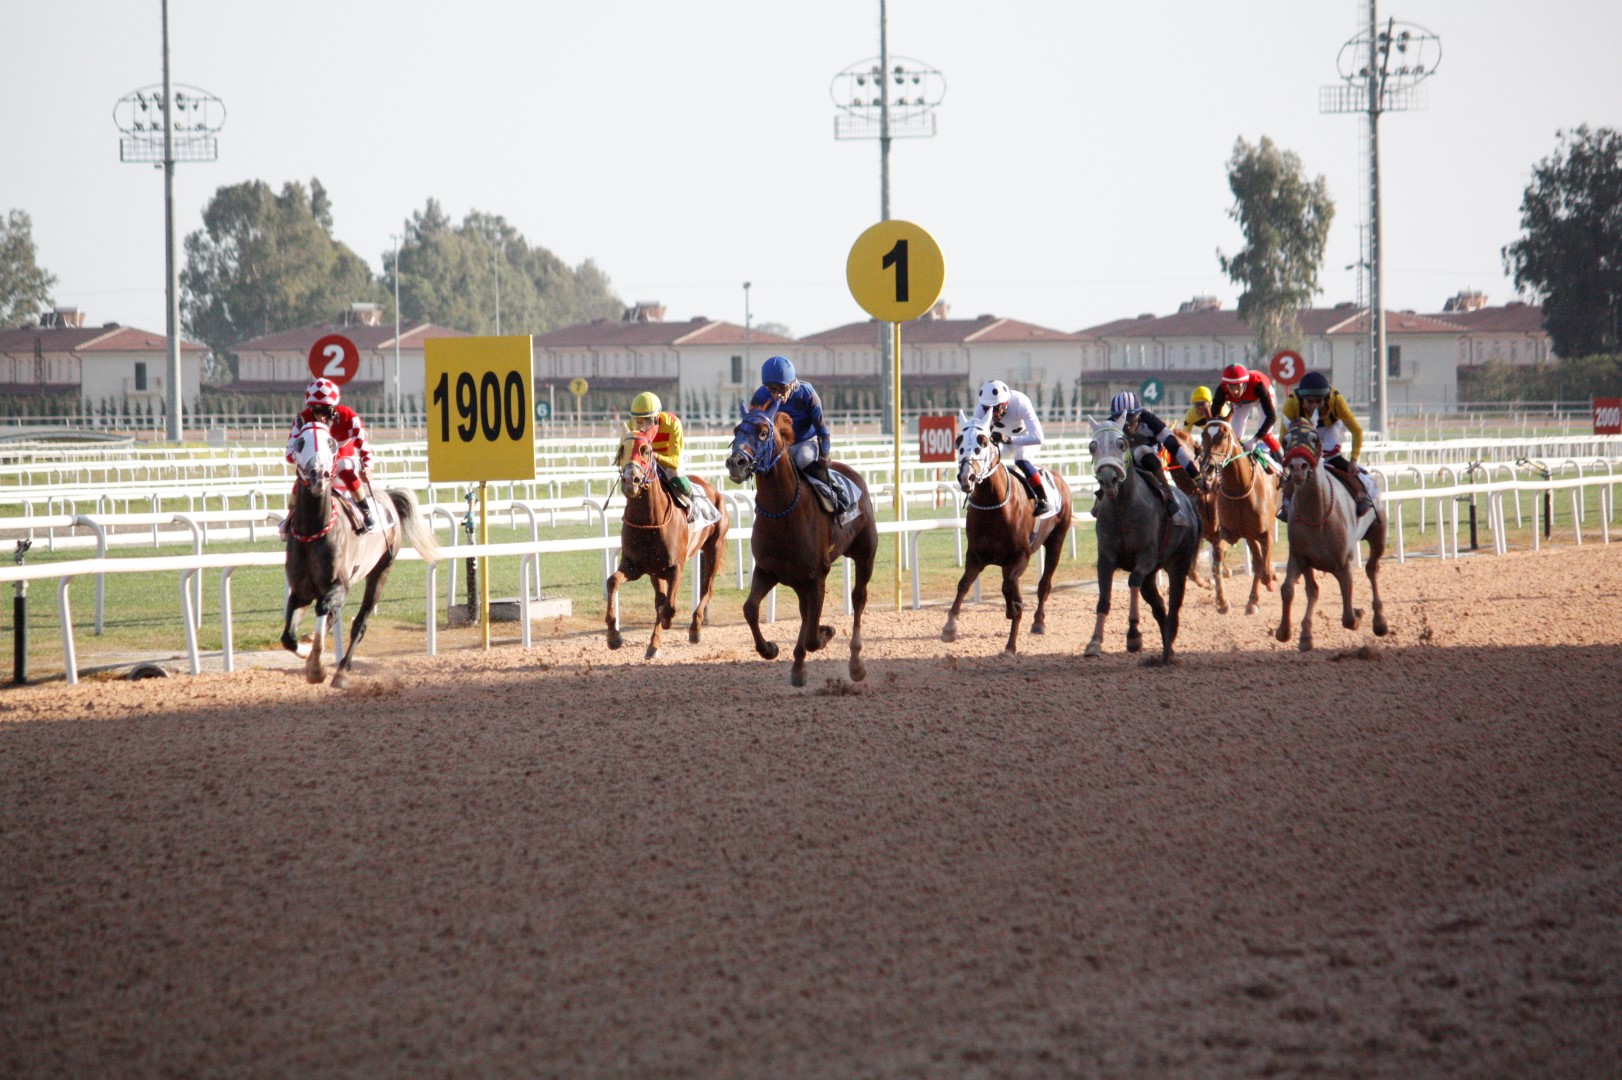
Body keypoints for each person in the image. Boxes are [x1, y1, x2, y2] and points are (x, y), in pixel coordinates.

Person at [748, 355, 851, 513]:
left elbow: (822, 429)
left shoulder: (807, 393)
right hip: (777, 446)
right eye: (772, 389)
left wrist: (824, 455)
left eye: (781, 388)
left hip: (805, 441)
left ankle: (834, 489)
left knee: (803, 458)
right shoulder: (761, 395)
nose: (776, 394)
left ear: (792, 383)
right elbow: (751, 425)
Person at [1278, 370, 1375, 519]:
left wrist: (1353, 460)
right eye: (1310, 401)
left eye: (1319, 401)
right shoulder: (1292, 403)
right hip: (1303, 429)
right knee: (1299, 461)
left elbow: (1357, 430)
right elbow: (1284, 437)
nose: (1315, 406)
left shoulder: (1336, 401)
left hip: (1331, 426)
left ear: (1326, 398)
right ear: (1302, 399)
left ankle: (1360, 494)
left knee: (1332, 458)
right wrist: (1289, 460)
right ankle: (1286, 502)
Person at [287, 377, 379, 533]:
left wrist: (368, 468)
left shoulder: (349, 417)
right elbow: (289, 454)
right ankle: (290, 517)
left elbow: (363, 446)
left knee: (344, 467)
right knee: (301, 478)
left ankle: (366, 512)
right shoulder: (301, 419)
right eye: (315, 411)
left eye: (326, 411)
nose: (320, 417)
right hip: (318, 464)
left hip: (344, 459)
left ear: (334, 407)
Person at [1107, 390, 1205, 525]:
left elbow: (1176, 449)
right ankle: (1101, 500)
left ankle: (1169, 496)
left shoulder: (1151, 421)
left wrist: (1196, 476)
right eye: (1120, 419)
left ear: (1139, 415)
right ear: (1114, 418)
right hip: (1122, 461)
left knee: (1141, 451)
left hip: (1149, 459)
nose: (1126, 424)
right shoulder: (1109, 425)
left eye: (1130, 418)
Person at [625, 391, 718, 524]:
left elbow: (674, 462)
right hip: (646, 460)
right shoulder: (631, 425)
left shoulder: (673, 424)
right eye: (638, 421)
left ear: (656, 418)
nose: (641, 427)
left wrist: (654, 456)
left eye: (646, 421)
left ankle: (693, 502)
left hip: (669, 459)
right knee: (629, 479)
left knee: (676, 476)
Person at [971, 379, 1050, 515]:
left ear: (1005, 404)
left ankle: (1043, 498)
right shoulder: (980, 410)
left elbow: (1038, 438)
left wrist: (1009, 439)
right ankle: (977, 498)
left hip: (1026, 440)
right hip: (1004, 442)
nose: (991, 413)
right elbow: (974, 438)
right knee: (986, 459)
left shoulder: (1020, 402)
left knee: (1020, 458)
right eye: (986, 409)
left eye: (995, 408)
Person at [1210, 363, 1284, 465]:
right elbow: (1213, 415)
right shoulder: (1221, 390)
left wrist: (1255, 440)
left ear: (1245, 384)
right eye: (1231, 387)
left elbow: (1272, 417)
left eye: (1237, 386)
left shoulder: (1258, 385)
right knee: (1234, 435)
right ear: (1226, 385)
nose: (1235, 392)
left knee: (1266, 435)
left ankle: (1284, 464)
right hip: (1242, 402)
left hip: (1260, 397)